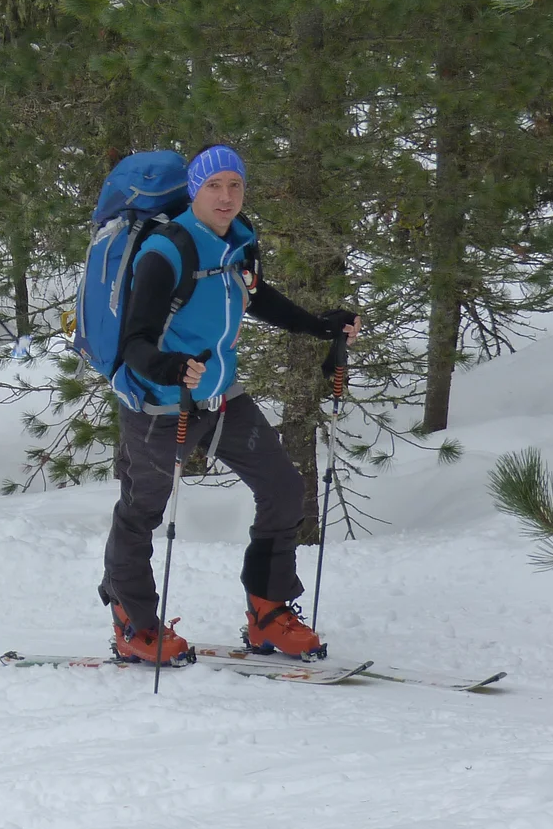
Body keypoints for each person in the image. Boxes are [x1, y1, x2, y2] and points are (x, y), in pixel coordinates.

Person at [99, 143, 360, 666]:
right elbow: (135, 342)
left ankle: (268, 614)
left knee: (282, 487)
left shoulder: (236, 246)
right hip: (161, 403)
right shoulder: (166, 251)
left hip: (220, 396)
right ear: (194, 190)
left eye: (235, 185)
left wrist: (317, 325)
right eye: (214, 185)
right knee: (141, 512)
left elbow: (257, 296)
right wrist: (169, 368)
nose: (225, 196)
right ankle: (133, 622)